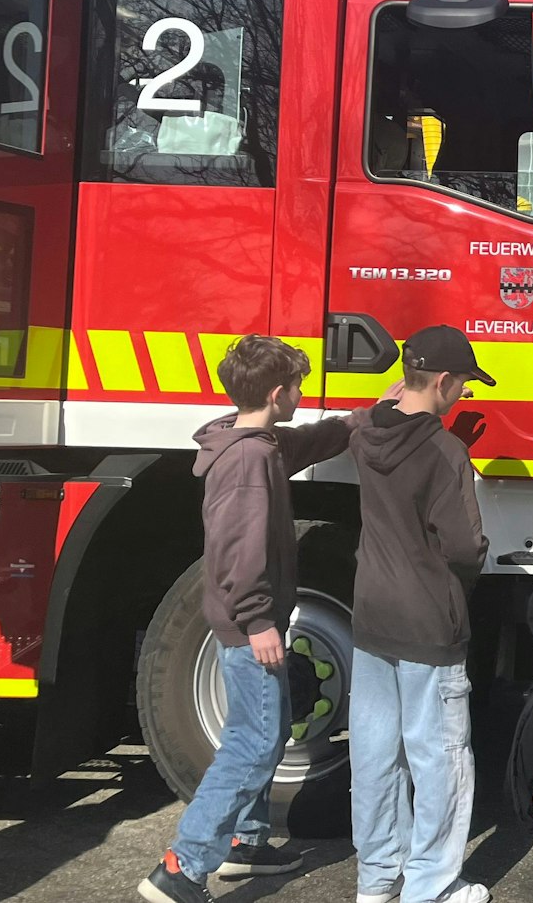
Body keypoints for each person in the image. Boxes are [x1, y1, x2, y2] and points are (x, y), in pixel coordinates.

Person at [140, 336, 365, 903]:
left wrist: (360, 418)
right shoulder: (249, 461)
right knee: (255, 743)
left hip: (244, 622)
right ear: (276, 392)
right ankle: (182, 868)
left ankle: (247, 843)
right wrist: (258, 619)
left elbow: (304, 443)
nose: (300, 395)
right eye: (296, 387)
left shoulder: (252, 442)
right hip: (249, 626)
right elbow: (237, 551)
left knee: (262, 729)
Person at [347, 326, 495, 903]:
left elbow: (383, 408)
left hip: (371, 617)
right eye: (462, 385)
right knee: (440, 757)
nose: (462, 395)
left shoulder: (365, 437)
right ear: (442, 381)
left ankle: (377, 879)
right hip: (429, 625)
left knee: (375, 756)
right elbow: (463, 545)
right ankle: (431, 886)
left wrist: (396, 398)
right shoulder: (446, 452)